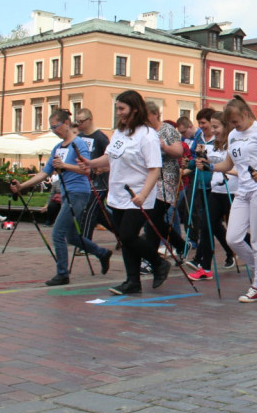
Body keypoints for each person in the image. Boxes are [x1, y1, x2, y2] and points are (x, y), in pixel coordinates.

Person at [77, 90, 170, 295]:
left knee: (128, 236)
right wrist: (91, 163)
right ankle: (132, 280)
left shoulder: (147, 136)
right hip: (118, 193)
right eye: (117, 108)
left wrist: (144, 194)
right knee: (125, 238)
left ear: (135, 109)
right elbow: (110, 157)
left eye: (122, 109)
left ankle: (158, 262)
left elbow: (155, 168)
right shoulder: (120, 132)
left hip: (137, 195)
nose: (118, 113)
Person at [11, 108, 113, 286]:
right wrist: (22, 186)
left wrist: (64, 165)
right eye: (51, 128)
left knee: (58, 233)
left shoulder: (79, 144)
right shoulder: (58, 148)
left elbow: (86, 169)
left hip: (79, 192)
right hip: (66, 193)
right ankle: (102, 253)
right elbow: (45, 172)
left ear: (66, 123)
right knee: (72, 237)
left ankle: (62, 273)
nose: (54, 131)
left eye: (55, 126)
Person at [212, 95, 257, 303]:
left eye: (235, 121)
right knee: (232, 237)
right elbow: (228, 165)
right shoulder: (233, 135)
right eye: (230, 123)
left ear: (245, 114)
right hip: (243, 190)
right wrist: (208, 167)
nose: (233, 126)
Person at [188, 111, 239, 280]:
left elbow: (240, 170)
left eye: (216, 126)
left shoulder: (234, 143)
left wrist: (215, 168)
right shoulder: (211, 142)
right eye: (212, 126)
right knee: (207, 225)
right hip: (216, 190)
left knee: (235, 232)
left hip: (233, 191)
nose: (212, 129)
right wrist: (200, 163)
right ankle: (205, 267)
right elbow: (209, 162)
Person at [144, 102, 189, 261]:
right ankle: (180, 244)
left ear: (155, 114)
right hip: (149, 179)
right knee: (153, 219)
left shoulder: (167, 130)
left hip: (166, 179)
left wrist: (163, 146)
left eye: (147, 115)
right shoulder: (145, 131)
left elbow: (179, 152)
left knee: (153, 218)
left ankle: (151, 258)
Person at [74, 108, 111, 234]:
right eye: (77, 121)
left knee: (89, 211)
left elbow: (110, 158)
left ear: (90, 120)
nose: (79, 124)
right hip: (83, 181)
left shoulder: (101, 138)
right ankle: (121, 233)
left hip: (99, 183)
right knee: (100, 214)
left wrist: (103, 168)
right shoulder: (79, 138)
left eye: (81, 121)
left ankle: (85, 243)